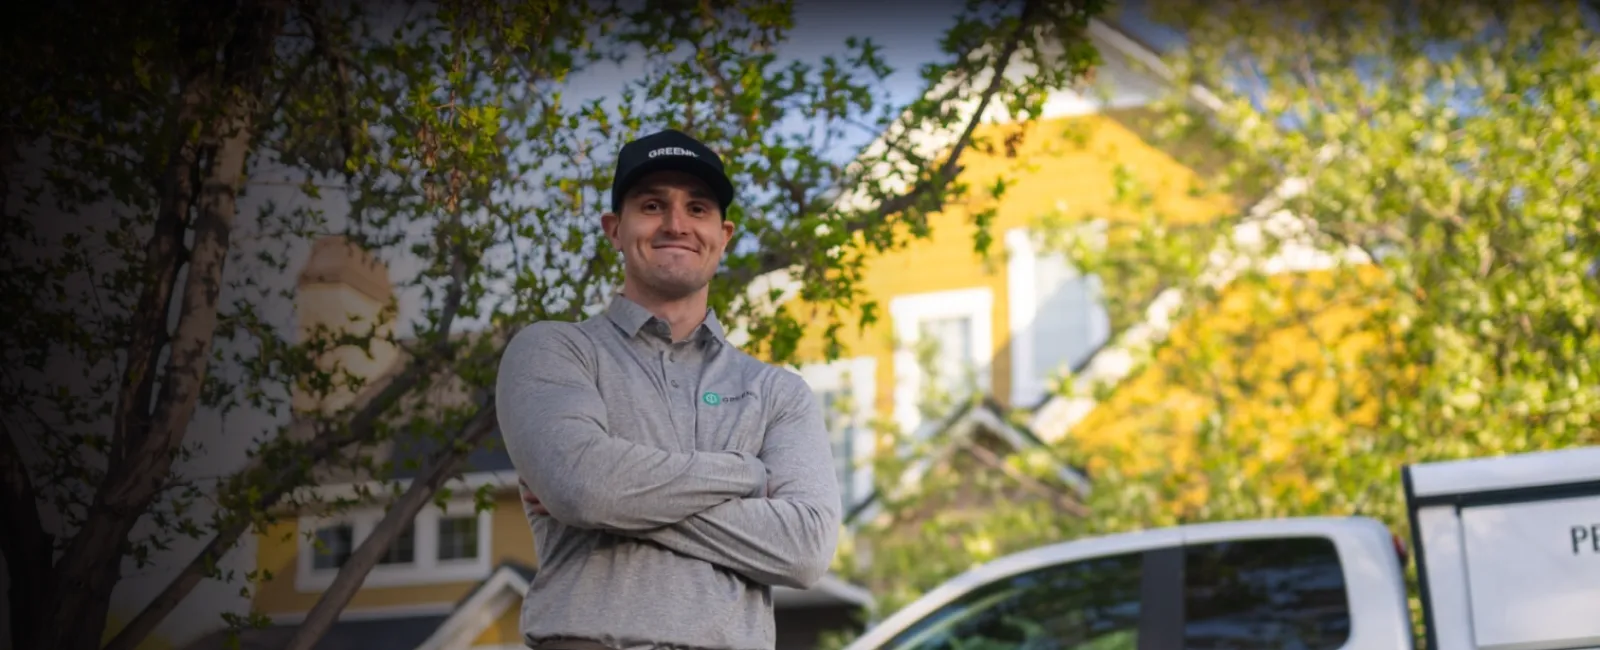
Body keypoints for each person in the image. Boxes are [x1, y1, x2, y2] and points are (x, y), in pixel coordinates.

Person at [494, 128, 842, 650]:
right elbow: (586, 489)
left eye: (697, 208)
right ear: (615, 228)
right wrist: (746, 474)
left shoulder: (777, 393)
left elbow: (805, 549)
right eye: (653, 205)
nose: (676, 224)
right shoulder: (556, 351)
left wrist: (618, 499)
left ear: (723, 235)